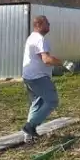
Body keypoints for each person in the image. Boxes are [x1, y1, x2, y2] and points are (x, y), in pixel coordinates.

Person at [21, 15, 66, 143]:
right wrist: (63, 63)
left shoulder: (32, 37)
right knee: (52, 101)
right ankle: (29, 126)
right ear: (39, 25)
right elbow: (46, 59)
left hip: (28, 76)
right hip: (38, 76)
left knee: (36, 104)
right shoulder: (40, 39)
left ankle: (29, 136)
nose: (49, 25)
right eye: (47, 23)